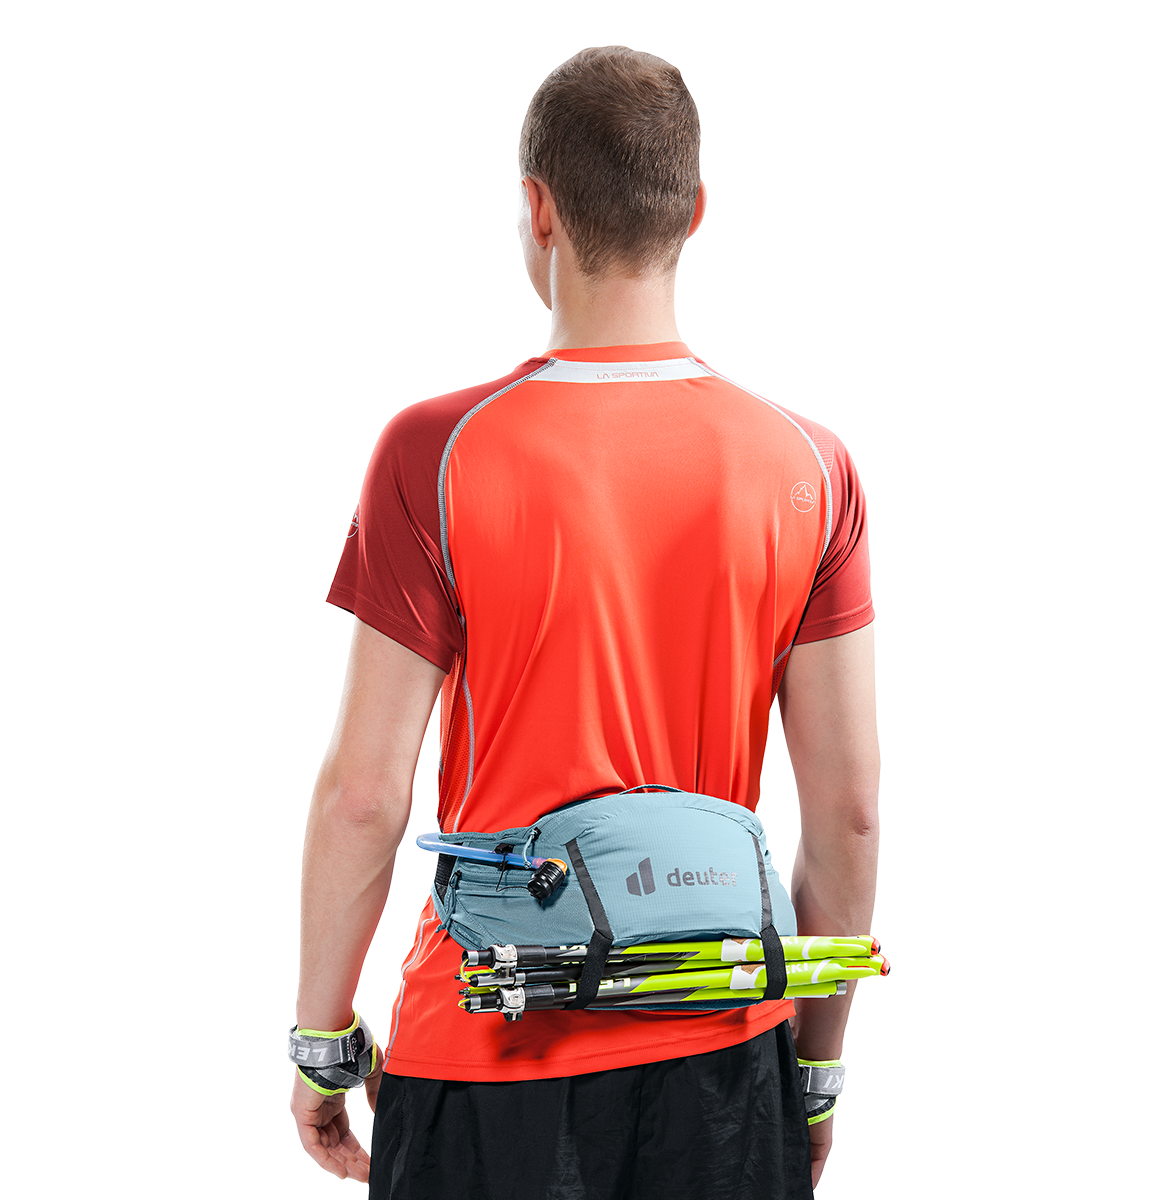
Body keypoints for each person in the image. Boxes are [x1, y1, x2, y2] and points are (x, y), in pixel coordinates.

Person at [290, 46, 879, 1199]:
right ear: (695, 211)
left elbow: (362, 795)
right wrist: (812, 1070)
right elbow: (850, 813)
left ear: (538, 209)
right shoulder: (811, 466)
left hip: (486, 1050)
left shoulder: (435, 452)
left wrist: (322, 1041)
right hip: (724, 1055)